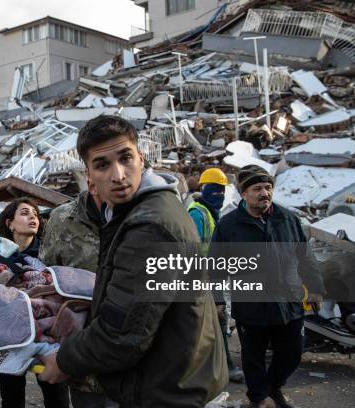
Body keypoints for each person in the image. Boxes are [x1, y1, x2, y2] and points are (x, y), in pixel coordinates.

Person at [37, 115, 226, 407]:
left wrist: (63, 360)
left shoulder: (150, 225)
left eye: (125, 158)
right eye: (102, 165)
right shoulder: (141, 211)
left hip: (167, 390)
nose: (119, 175)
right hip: (170, 380)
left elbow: (123, 335)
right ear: (89, 175)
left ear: (141, 158)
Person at [209, 165, 324, 408]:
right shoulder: (229, 225)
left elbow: (306, 256)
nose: (265, 193)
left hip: (289, 302)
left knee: (292, 353)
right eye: (257, 188)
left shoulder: (287, 218)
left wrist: (315, 287)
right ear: (244, 193)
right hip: (252, 306)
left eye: (268, 187)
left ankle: (274, 385)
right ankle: (258, 397)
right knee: (253, 358)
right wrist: (218, 299)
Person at [0, 197, 70, 408]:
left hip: (48, 335)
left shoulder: (50, 253)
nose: (33, 217)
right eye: (24, 213)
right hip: (10, 335)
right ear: (10, 223)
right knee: (11, 396)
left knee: (57, 396)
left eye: (34, 214)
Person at [39, 188, 107, 408]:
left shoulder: (146, 214)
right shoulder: (62, 218)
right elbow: (47, 281)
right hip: (83, 362)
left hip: (139, 364)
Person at [188, 168, 245, 384]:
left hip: (214, 277)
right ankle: (225, 367)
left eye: (222, 191)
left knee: (215, 324)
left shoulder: (212, 213)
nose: (219, 196)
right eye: (214, 190)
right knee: (215, 324)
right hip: (202, 279)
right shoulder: (197, 214)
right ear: (204, 189)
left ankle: (212, 367)